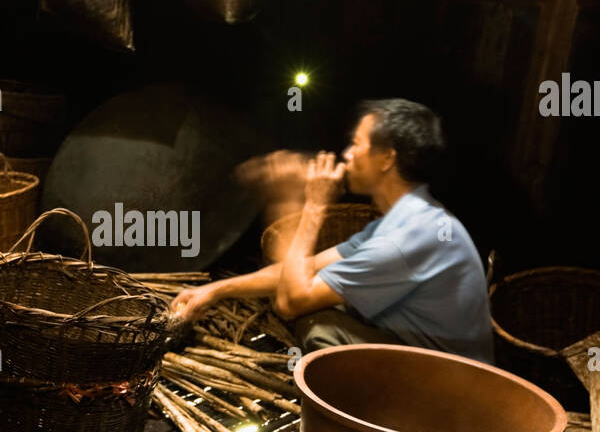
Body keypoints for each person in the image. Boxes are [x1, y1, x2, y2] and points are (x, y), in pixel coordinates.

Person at [170, 98, 494, 364]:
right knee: (327, 300)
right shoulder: (404, 219)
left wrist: (309, 205)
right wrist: (214, 291)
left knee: (319, 328)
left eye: (356, 145)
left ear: (385, 159)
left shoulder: (406, 238)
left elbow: (290, 301)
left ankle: (372, 423)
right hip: (430, 361)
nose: (347, 155)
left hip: (451, 387)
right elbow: (306, 267)